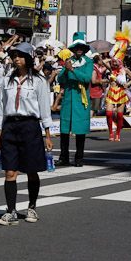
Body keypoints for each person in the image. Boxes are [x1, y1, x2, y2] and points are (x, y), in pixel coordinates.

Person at [0, 42, 53, 226]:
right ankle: (10, 211)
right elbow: (2, 108)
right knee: (10, 171)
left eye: (20, 55)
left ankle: (32, 207)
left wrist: (48, 134)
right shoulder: (7, 81)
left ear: (29, 58)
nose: (16, 59)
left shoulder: (39, 81)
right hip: (10, 127)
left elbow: (44, 108)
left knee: (31, 171)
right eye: (14, 56)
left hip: (30, 127)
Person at [57, 32, 93, 167]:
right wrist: (66, 71)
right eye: (76, 47)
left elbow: (87, 78)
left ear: (84, 50)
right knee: (64, 130)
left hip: (81, 99)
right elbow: (60, 79)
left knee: (80, 130)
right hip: (68, 98)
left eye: (81, 47)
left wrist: (72, 70)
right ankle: (63, 157)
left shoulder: (88, 62)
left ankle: (79, 158)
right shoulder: (68, 61)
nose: (78, 50)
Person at [103, 29, 131, 142]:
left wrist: (127, 84)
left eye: (116, 61)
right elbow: (103, 62)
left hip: (121, 92)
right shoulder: (111, 69)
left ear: (120, 62)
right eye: (113, 61)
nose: (114, 63)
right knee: (108, 113)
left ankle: (117, 133)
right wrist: (110, 57)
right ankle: (110, 132)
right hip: (111, 91)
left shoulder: (125, 70)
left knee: (119, 115)